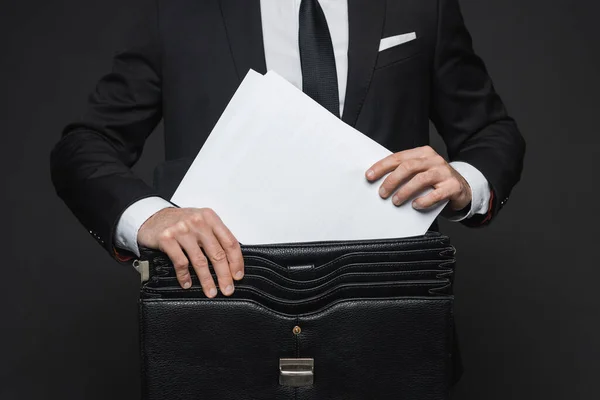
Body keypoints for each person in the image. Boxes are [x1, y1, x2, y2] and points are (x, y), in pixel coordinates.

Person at [50, 0, 525, 299]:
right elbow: (84, 146)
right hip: (223, 316)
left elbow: (493, 132)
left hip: (390, 311)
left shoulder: (420, 6)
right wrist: (148, 217)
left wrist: (466, 181)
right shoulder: (175, 11)